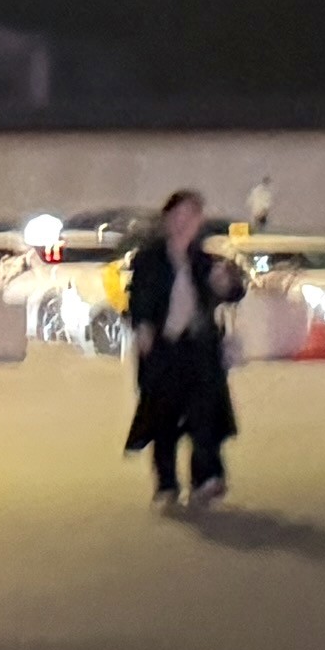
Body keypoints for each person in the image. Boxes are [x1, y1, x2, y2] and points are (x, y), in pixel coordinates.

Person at [122, 190, 241, 511]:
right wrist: (144, 326)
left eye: (192, 216)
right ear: (168, 218)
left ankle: (206, 479)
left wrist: (227, 283)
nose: (185, 223)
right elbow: (137, 299)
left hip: (200, 350)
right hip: (163, 350)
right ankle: (167, 485)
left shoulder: (205, 261)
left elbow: (232, 293)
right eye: (180, 215)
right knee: (164, 421)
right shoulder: (149, 258)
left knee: (204, 417)